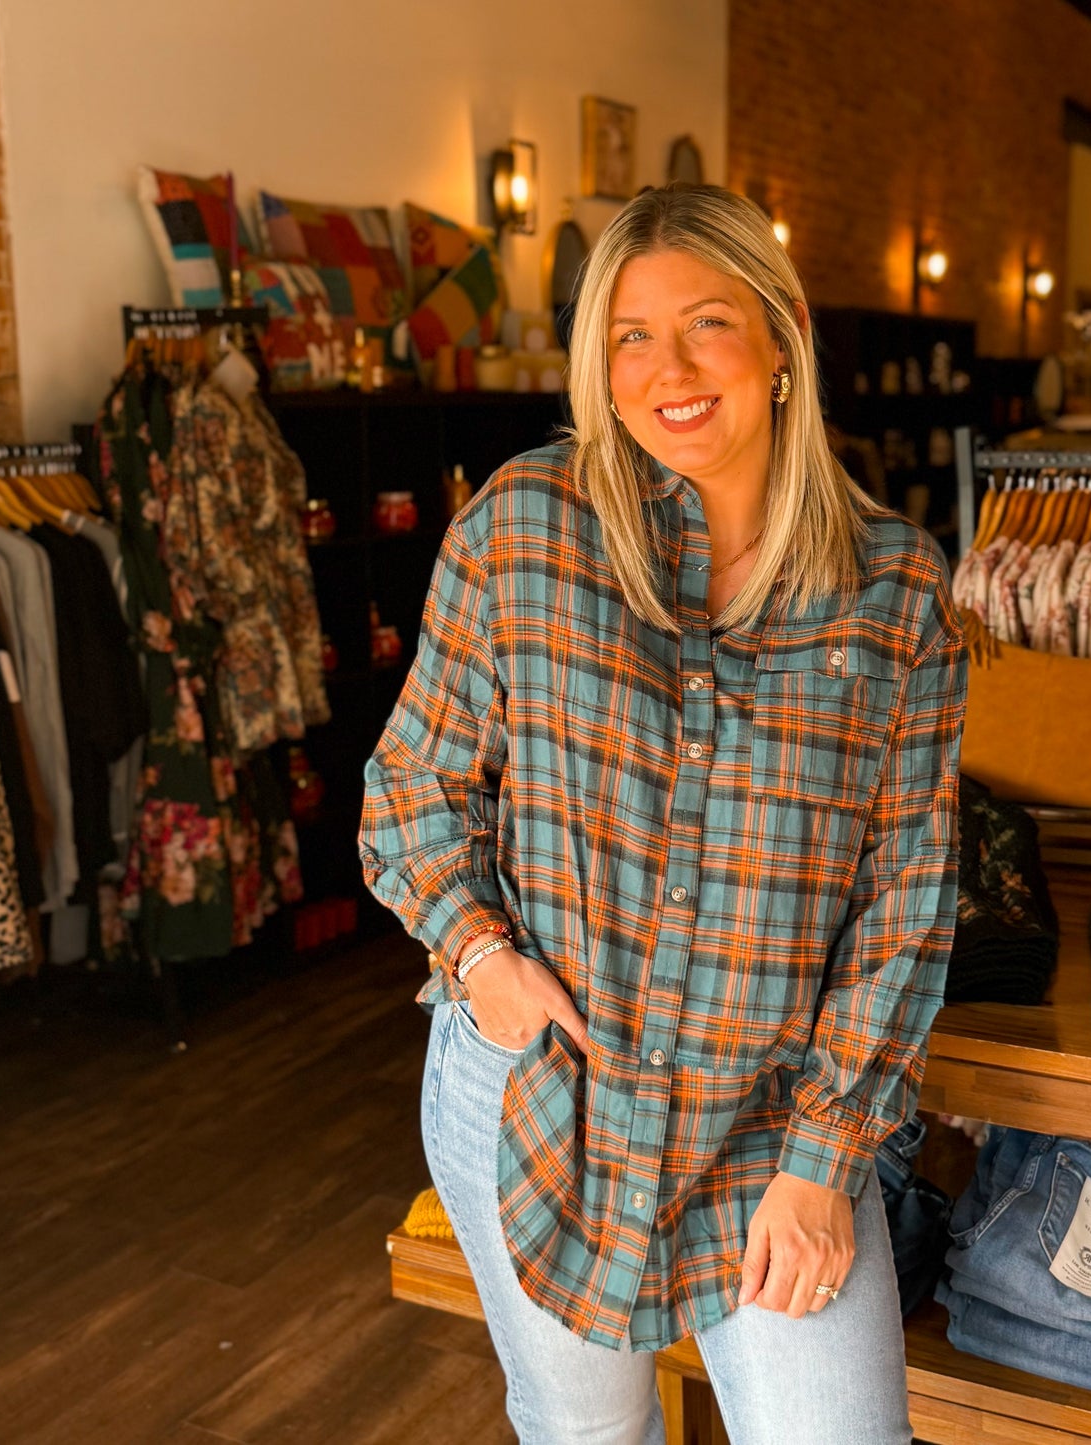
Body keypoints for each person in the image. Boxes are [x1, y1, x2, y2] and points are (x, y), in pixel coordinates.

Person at [360, 183, 965, 1444]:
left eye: (705, 323)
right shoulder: (523, 528)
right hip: (541, 1097)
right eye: (629, 335)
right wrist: (481, 957)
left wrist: (825, 1154)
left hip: (769, 1130)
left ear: (781, 332)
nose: (668, 371)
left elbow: (903, 904)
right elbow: (407, 789)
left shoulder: (895, 586)